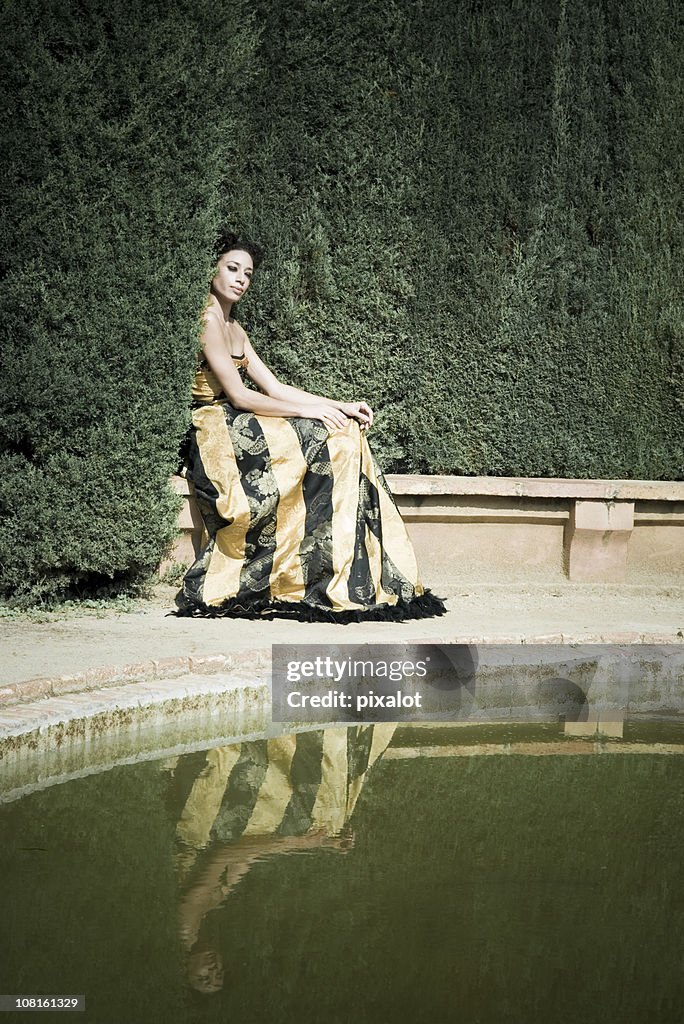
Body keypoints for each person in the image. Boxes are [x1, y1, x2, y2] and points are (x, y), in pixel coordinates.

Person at [176, 230, 446, 621]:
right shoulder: (208, 322)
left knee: (345, 434)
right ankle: (307, 570)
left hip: (240, 420)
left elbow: (275, 386)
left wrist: (340, 405)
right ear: (212, 270)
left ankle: (340, 573)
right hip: (215, 427)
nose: (240, 279)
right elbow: (240, 396)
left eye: (247, 274)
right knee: (322, 436)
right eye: (232, 268)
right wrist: (308, 414)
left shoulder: (236, 329)